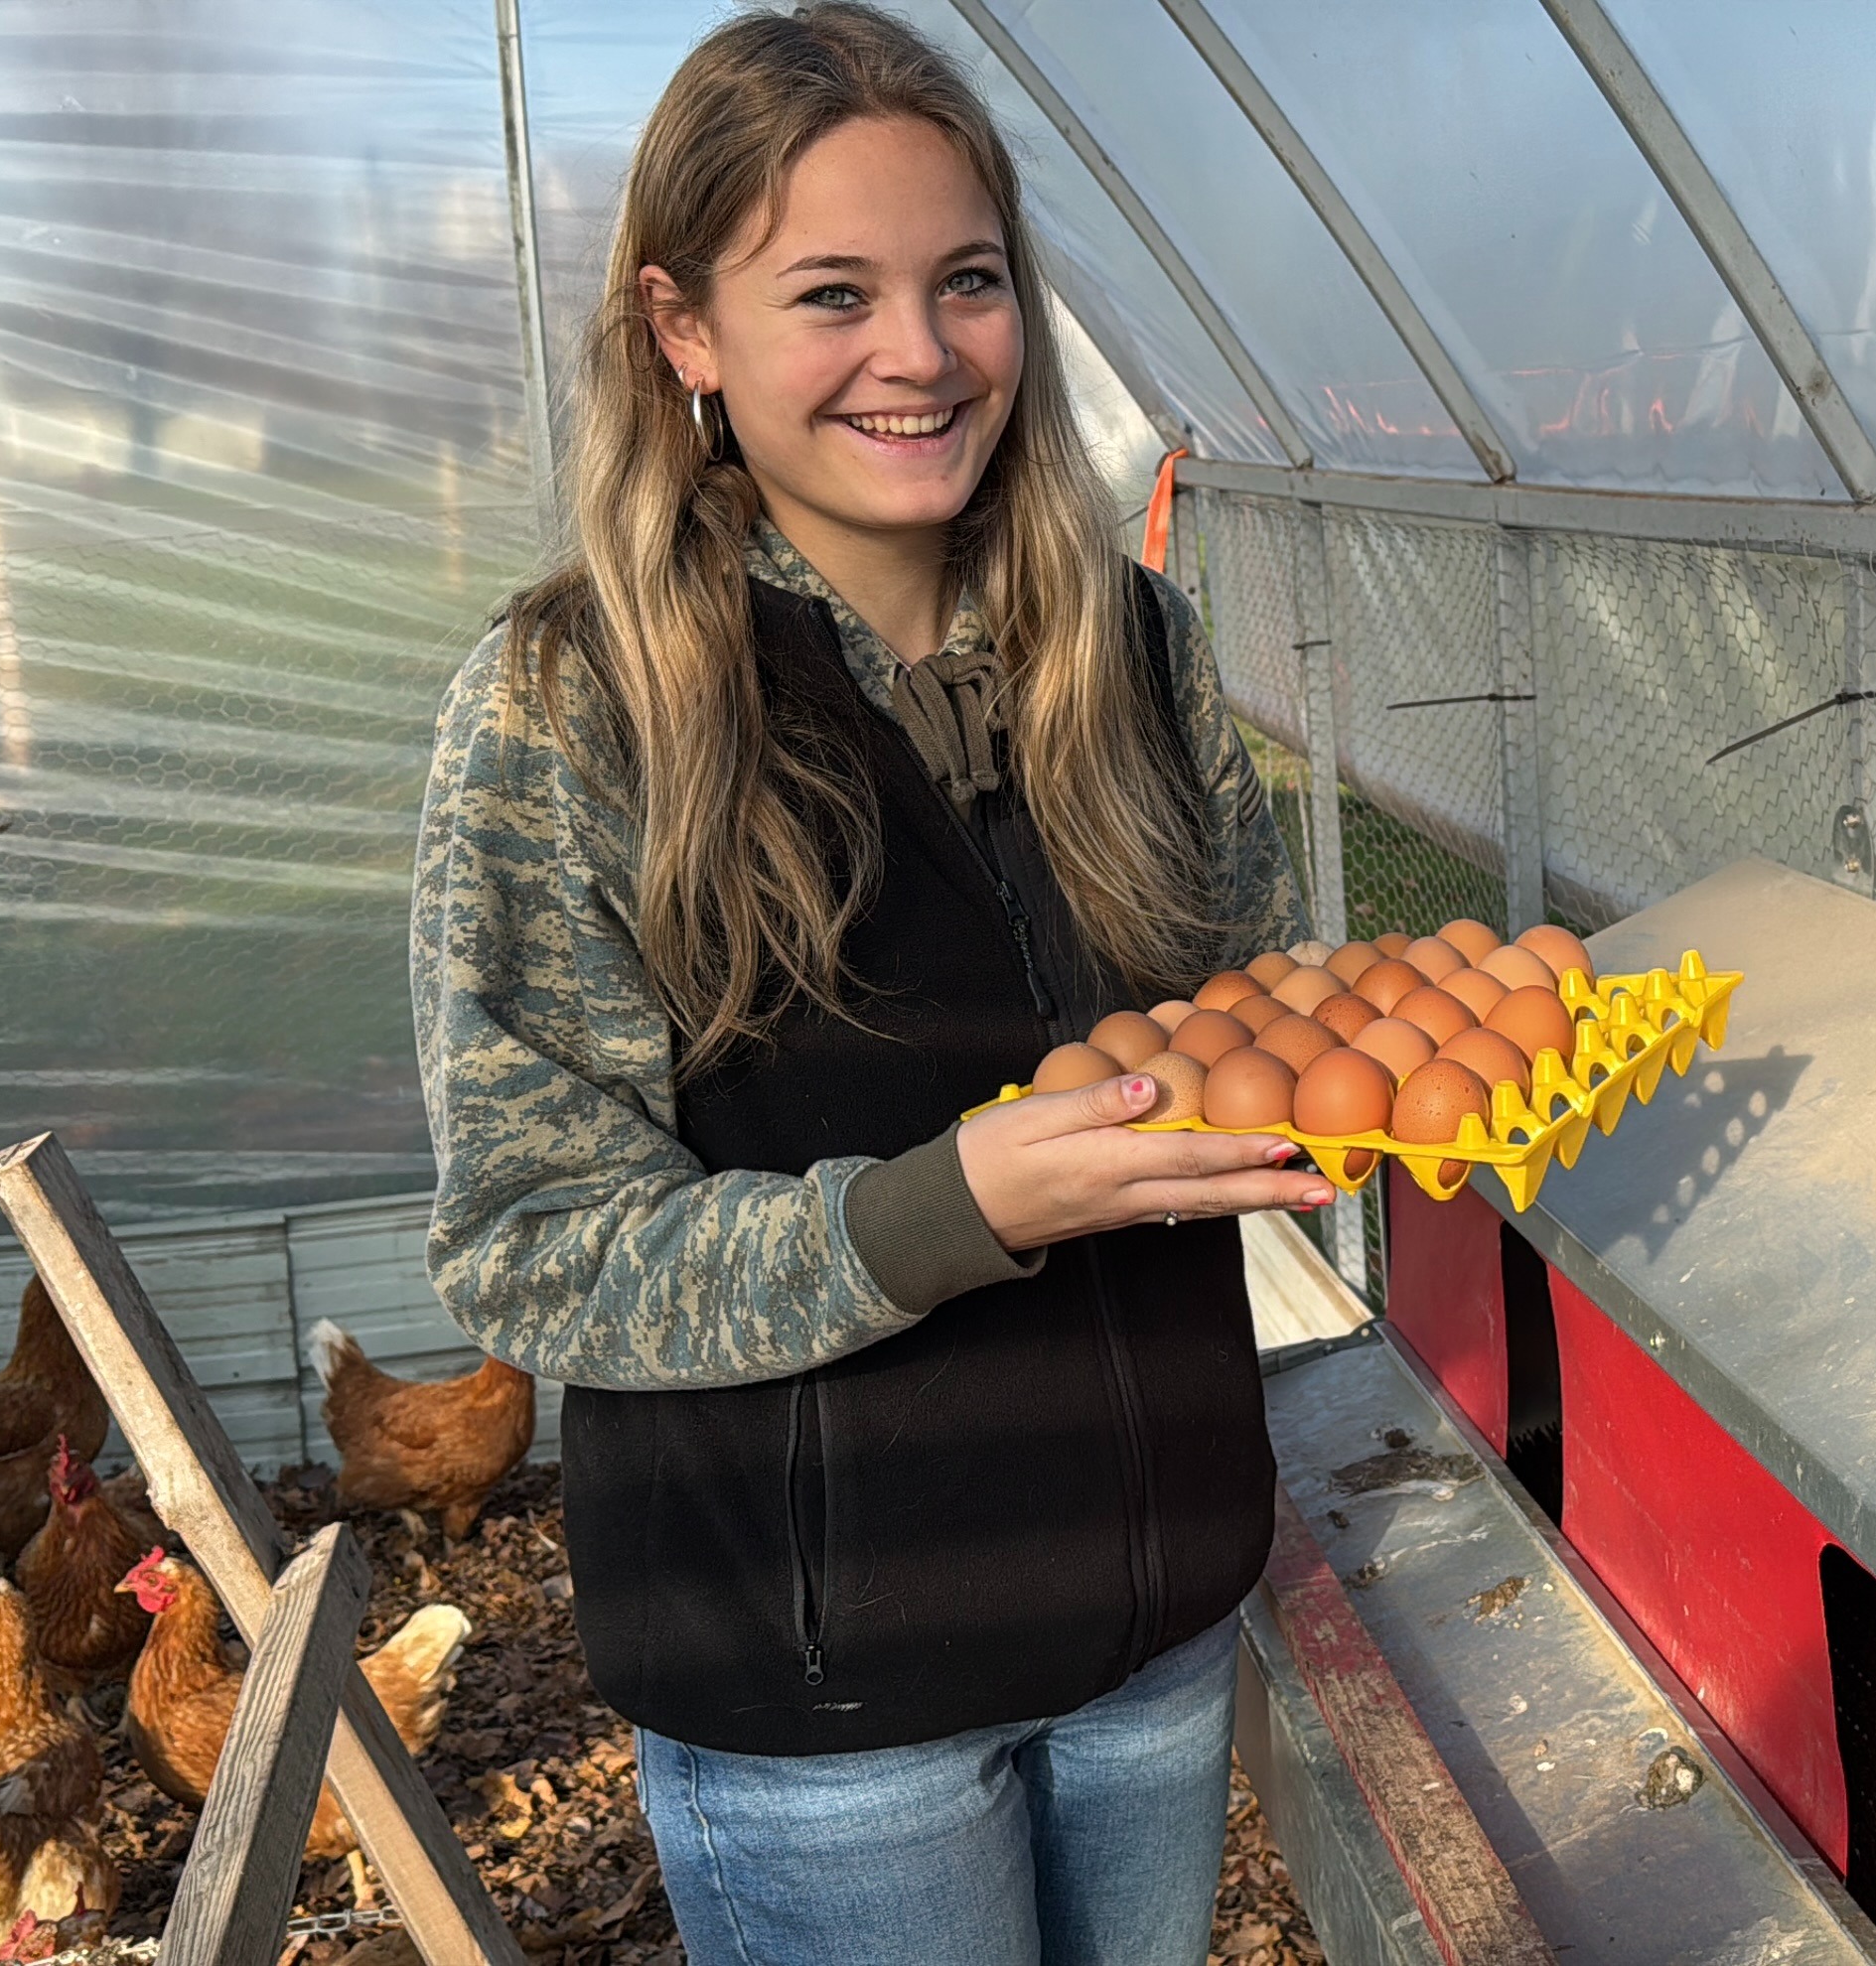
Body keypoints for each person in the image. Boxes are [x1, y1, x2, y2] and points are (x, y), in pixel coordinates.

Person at [409, 9, 1330, 1959]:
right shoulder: (579, 704)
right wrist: (954, 1211)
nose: (918, 353)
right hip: (829, 1705)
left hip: (1155, 1621)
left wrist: (1372, 1085)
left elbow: (1251, 1016)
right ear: (681, 332)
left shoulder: (1137, 653)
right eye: (830, 293)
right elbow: (534, 1245)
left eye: (966, 282)